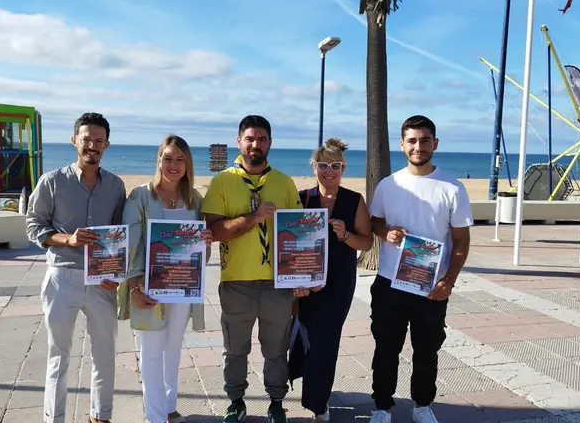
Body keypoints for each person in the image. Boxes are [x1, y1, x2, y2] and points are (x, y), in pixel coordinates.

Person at [367, 115, 472, 423]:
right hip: (390, 283)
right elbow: (375, 221)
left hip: (431, 285)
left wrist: (449, 281)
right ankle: (382, 407)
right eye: (412, 140)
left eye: (425, 140)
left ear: (434, 144)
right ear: (402, 145)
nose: (418, 146)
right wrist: (385, 232)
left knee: (427, 351)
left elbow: (461, 241)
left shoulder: (452, 188)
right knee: (386, 349)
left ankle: (422, 405)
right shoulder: (389, 185)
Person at [26, 112, 127, 423]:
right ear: (75, 141)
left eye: (99, 141)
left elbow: (119, 235)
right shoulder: (52, 181)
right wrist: (67, 239)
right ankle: (54, 418)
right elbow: (34, 226)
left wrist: (115, 274)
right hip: (62, 278)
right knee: (59, 355)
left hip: (101, 281)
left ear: (106, 145)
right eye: (86, 140)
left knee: (105, 355)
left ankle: (101, 416)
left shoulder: (115, 186)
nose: (92, 146)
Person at [202, 115, 303, 423]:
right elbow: (215, 231)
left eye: (261, 139)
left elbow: (298, 233)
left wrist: (301, 276)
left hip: (277, 284)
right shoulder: (222, 181)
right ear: (239, 142)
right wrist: (254, 217)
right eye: (249, 138)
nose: (255, 144)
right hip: (237, 283)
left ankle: (276, 401)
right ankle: (236, 401)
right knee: (235, 349)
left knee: (276, 349)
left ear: (270, 143)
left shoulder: (284, 182)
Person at [117, 134, 212, 423]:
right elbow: (130, 245)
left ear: (187, 164)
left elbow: (200, 250)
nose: (173, 164)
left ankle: (169, 408)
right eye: (168, 157)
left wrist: (206, 241)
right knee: (152, 352)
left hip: (183, 285)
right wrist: (133, 286)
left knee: (173, 349)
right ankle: (155, 416)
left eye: (179, 159)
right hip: (149, 287)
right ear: (158, 160)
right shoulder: (141, 196)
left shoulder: (195, 199)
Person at [293, 138, 373, 421]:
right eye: (323, 165)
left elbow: (366, 242)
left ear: (343, 168)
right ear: (314, 167)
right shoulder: (302, 198)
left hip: (338, 282)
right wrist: (294, 281)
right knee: (301, 337)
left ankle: (318, 403)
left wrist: (345, 235)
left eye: (335, 166)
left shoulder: (354, 200)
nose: (329, 171)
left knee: (326, 341)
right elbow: (287, 240)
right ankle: (301, 387)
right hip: (303, 279)